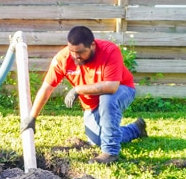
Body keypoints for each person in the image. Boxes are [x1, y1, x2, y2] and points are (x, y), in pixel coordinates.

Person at [20, 26, 147, 164]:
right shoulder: (62, 59)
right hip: (92, 103)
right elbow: (46, 88)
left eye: (80, 52)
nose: (76, 56)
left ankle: (110, 152)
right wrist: (32, 117)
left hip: (122, 90)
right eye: (72, 51)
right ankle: (136, 129)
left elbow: (111, 87)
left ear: (92, 45)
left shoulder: (109, 51)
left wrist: (78, 89)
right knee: (97, 139)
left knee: (107, 98)